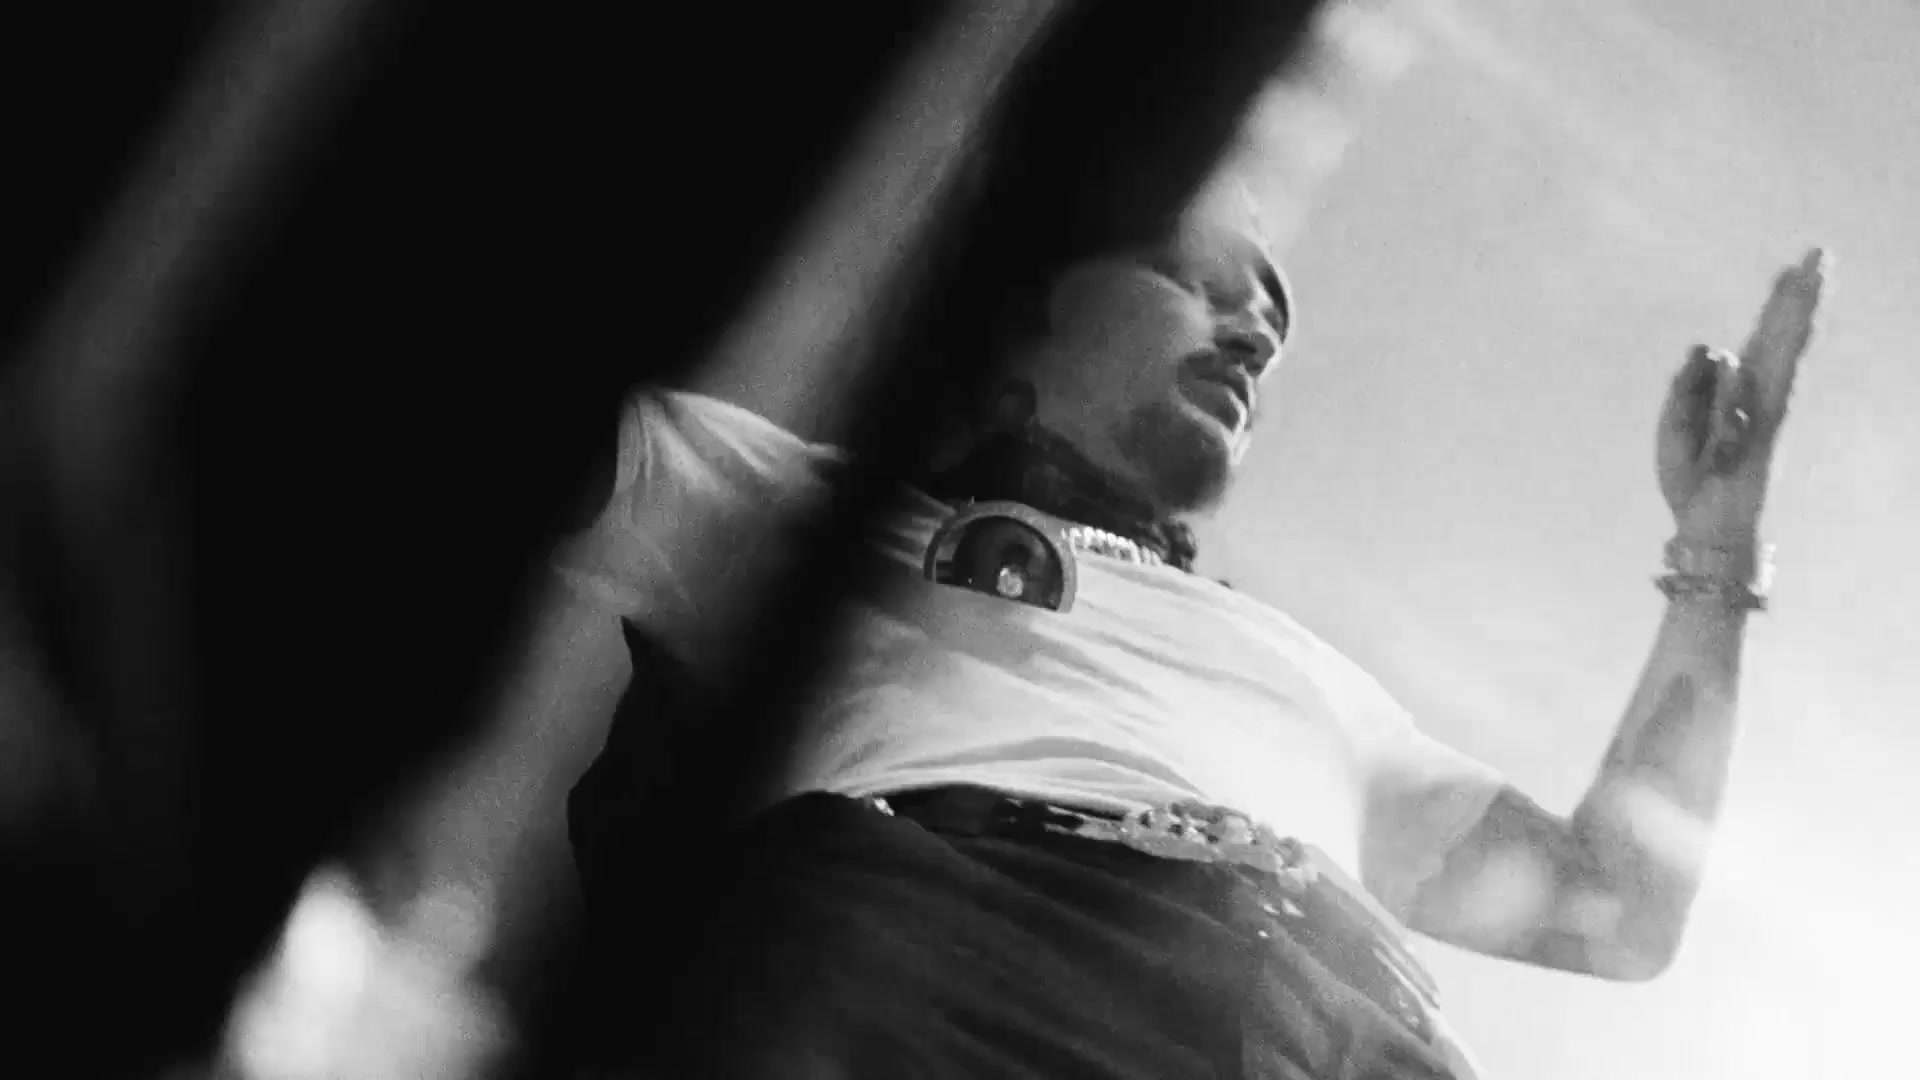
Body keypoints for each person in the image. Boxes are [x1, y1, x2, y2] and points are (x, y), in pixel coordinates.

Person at [557, 199, 1828, 1077]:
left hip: (1366, 1034)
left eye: (1267, 326)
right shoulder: (801, 504)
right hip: (970, 950)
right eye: (1198, 282)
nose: (1255, 334)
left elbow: (1616, 908)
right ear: (1024, 319)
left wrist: (1715, 556)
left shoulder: (1316, 680)